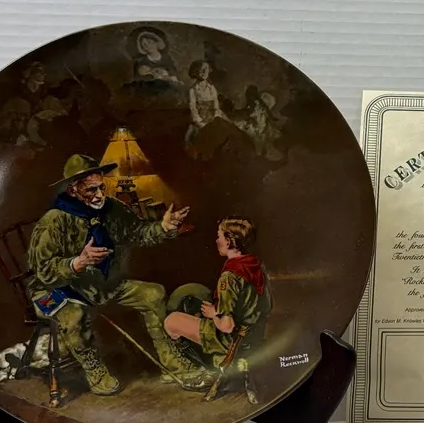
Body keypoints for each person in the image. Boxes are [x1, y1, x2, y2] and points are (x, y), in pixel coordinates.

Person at [26, 154, 209, 395]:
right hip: (54, 289)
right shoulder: (53, 221)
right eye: (91, 190)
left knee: (153, 294)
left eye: (101, 187)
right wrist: (78, 262)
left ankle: (172, 362)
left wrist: (164, 227)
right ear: (72, 190)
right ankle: (94, 371)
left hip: (98, 284)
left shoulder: (111, 208)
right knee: (74, 316)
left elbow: (138, 232)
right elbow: (43, 270)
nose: (99, 195)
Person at [165, 216, 272, 402]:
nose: (216, 240)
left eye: (219, 236)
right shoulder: (256, 265)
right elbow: (267, 306)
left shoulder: (229, 277)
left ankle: (207, 371)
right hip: (253, 333)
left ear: (228, 241)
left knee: (171, 322)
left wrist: (214, 314)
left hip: (232, 339)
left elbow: (226, 326)